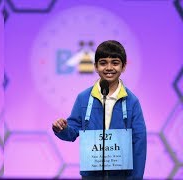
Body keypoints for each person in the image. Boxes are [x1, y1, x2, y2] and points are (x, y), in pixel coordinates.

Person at [52, 40, 146, 179]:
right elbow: (71, 132)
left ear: (124, 66)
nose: (109, 67)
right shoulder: (83, 98)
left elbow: (139, 142)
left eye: (115, 62)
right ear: (95, 66)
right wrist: (62, 128)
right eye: (103, 63)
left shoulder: (132, 101)